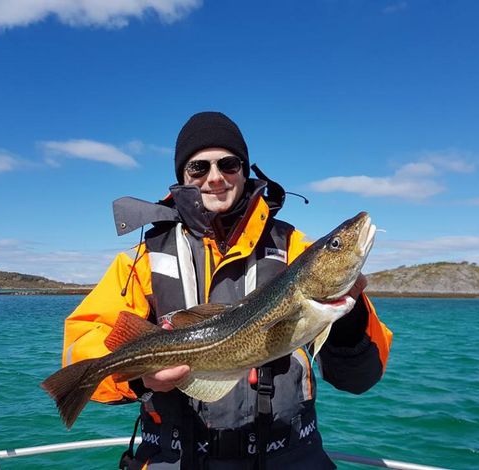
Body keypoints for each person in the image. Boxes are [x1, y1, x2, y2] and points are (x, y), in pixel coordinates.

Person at [60, 111, 393, 469]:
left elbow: (361, 378)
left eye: (229, 164)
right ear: (182, 178)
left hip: (290, 455)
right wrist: (142, 379)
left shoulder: (295, 248)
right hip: (176, 458)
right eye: (199, 168)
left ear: (245, 170)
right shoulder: (142, 260)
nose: (215, 178)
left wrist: (349, 319)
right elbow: (80, 350)